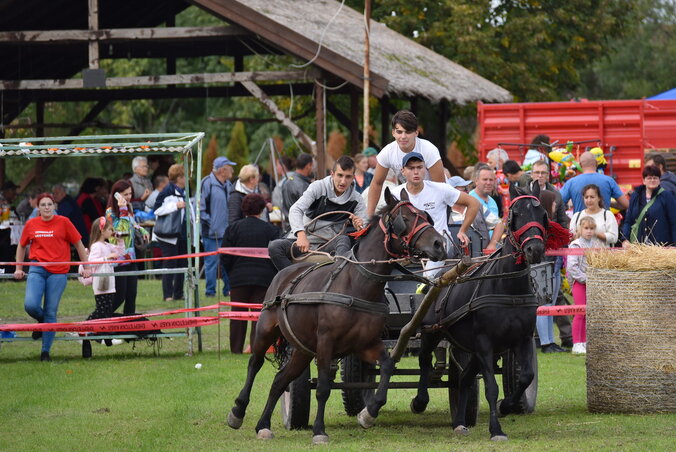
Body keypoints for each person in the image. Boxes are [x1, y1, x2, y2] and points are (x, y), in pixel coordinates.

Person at [13, 193, 92, 361]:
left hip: (58, 271)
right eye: (43, 205)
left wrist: (86, 267)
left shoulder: (64, 222)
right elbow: (21, 246)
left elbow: (78, 244)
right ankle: (43, 323)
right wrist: (19, 268)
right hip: (37, 268)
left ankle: (45, 352)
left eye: (50, 204)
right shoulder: (32, 223)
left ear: (55, 207)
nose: (47, 207)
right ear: (38, 208)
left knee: (51, 310)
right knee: (31, 305)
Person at [268, 155, 366, 271]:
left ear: (353, 177)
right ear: (332, 174)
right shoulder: (318, 187)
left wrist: (359, 226)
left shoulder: (357, 199)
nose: (343, 181)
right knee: (274, 247)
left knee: (343, 239)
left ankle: (337, 278)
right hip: (305, 241)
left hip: (330, 244)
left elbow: (364, 226)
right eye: (340, 175)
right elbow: (296, 209)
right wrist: (301, 234)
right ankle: (293, 279)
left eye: (348, 177)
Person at [395, 152, 479, 277]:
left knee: (427, 277)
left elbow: (473, 203)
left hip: (439, 241)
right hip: (409, 245)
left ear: (425, 169)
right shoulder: (395, 193)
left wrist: (463, 230)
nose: (416, 172)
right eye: (411, 168)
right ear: (403, 171)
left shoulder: (441, 189)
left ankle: (425, 287)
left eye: (419, 167)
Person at [221, 194, 282, 354]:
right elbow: (278, 254)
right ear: (262, 209)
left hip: (239, 278)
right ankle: (257, 348)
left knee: (237, 316)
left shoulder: (232, 228)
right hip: (264, 278)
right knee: (258, 315)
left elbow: (225, 256)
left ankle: (236, 349)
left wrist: (232, 273)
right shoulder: (271, 230)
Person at [367, 110, 445, 218]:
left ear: (416, 133)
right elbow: (376, 183)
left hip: (433, 198)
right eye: (399, 132)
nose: (403, 136)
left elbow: (441, 187)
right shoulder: (387, 152)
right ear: (393, 132)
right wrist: (369, 217)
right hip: (408, 197)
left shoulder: (429, 150)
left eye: (408, 132)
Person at [80, 216, 126, 358]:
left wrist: (120, 240)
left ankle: (104, 335)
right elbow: (91, 263)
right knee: (101, 310)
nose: (112, 231)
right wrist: (107, 258)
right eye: (110, 229)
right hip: (101, 284)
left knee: (106, 310)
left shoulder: (106, 245)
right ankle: (84, 328)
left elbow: (120, 253)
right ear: (102, 231)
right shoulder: (96, 246)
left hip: (109, 283)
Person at [107, 179, 149, 314]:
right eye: (125, 194)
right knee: (119, 297)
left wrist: (142, 230)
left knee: (131, 296)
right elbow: (121, 231)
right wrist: (122, 209)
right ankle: (98, 319)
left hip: (131, 257)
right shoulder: (110, 212)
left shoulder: (129, 208)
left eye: (130, 194)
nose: (129, 197)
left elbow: (132, 224)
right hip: (118, 259)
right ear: (116, 195)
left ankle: (129, 329)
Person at [536, 191, 569, 353]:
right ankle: (545, 342)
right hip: (543, 268)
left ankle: (550, 341)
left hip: (554, 266)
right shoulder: (542, 226)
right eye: (554, 203)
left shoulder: (550, 224)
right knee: (544, 306)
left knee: (550, 306)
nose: (556, 206)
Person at [567, 216, 605, 355]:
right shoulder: (575, 245)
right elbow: (572, 267)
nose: (589, 231)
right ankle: (577, 343)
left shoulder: (596, 245)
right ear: (580, 229)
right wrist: (585, 278)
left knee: (589, 313)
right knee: (579, 312)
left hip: (592, 283)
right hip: (580, 283)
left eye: (591, 228)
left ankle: (585, 341)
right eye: (586, 228)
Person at [200, 156, 235, 298]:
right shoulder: (207, 183)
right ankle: (210, 292)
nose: (232, 170)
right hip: (211, 232)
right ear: (222, 170)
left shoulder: (228, 184)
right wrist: (211, 223)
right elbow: (201, 209)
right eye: (229, 167)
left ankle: (228, 290)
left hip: (226, 232)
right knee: (211, 263)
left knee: (227, 263)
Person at [153, 164, 188, 302]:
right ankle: (167, 294)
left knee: (181, 263)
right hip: (167, 235)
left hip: (180, 233)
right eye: (184, 176)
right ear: (179, 177)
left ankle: (178, 293)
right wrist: (174, 206)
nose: (186, 179)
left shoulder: (182, 191)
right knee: (170, 264)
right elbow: (156, 209)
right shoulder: (167, 190)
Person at [621, 165, 676, 246]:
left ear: (659, 180)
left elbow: (674, 222)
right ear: (644, 180)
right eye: (649, 178)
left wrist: (674, 245)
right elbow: (628, 221)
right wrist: (625, 239)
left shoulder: (666, 196)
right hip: (639, 246)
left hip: (661, 247)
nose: (652, 180)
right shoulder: (636, 196)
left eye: (655, 178)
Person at [560, 151, 629, 213]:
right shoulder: (608, 181)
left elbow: (557, 205)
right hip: (603, 225)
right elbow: (626, 204)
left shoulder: (571, 182)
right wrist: (608, 203)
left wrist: (568, 220)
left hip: (581, 225)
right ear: (596, 163)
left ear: (580, 165)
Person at [469, 167, 505, 251]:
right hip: (477, 250)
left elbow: (498, 224)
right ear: (476, 181)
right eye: (485, 179)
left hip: (493, 250)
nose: (488, 183)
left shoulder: (492, 201)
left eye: (491, 180)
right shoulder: (470, 199)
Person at [281, 152, 314, 218]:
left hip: (288, 225)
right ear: (308, 165)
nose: (312, 168)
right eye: (312, 165)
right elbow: (309, 211)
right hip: (300, 225)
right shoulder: (303, 186)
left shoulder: (286, 181)